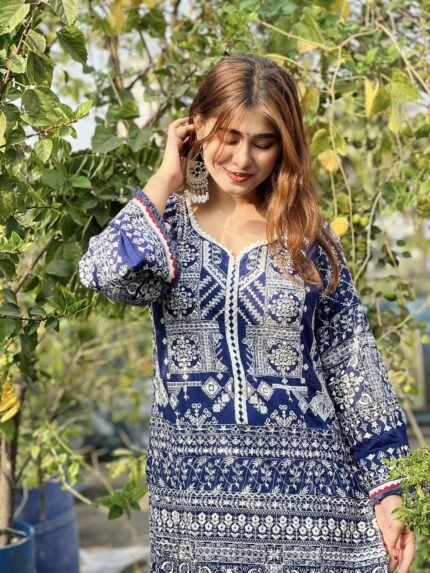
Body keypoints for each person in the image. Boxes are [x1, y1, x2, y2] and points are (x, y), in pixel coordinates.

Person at [79, 54, 415, 573]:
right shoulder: (165, 226)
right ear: (196, 126)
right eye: (229, 136)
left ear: (285, 146)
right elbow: (104, 273)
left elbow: (354, 370)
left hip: (316, 511)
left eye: (263, 143)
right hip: (194, 512)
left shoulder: (306, 238)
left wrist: (390, 495)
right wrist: (167, 175)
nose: (242, 158)